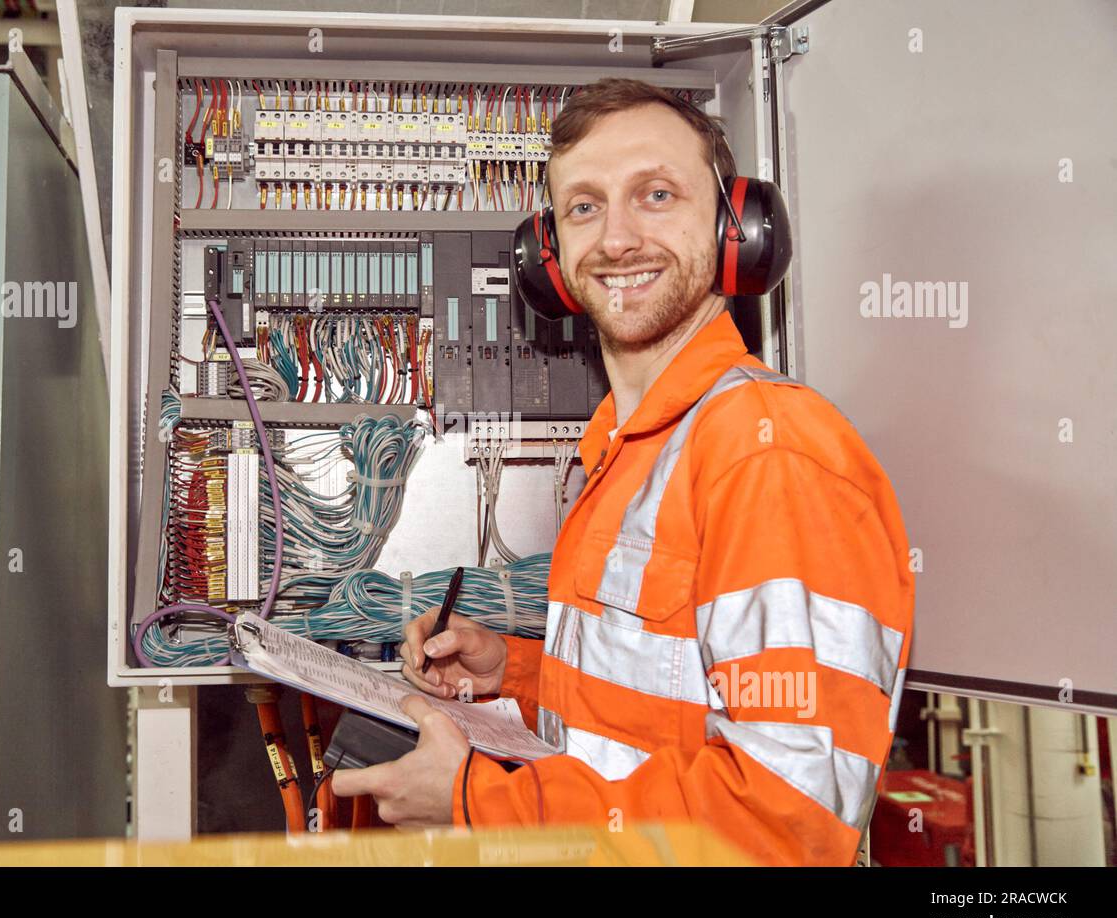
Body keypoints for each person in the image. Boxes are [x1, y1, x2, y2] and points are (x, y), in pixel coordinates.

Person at [331, 78, 914, 866]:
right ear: (550, 260)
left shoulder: (770, 453)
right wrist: (517, 674)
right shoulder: (631, 450)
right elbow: (659, 714)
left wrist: (479, 803)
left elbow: (787, 823)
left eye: (657, 195)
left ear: (734, 228)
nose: (616, 239)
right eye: (584, 207)